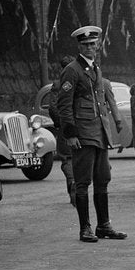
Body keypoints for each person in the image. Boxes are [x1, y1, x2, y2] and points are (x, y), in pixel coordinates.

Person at [55, 25, 127, 243]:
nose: (90, 48)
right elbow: (64, 105)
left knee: (103, 179)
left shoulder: (96, 69)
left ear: (98, 45)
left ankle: (104, 225)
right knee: (83, 182)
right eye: (85, 44)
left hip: (100, 133)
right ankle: (85, 228)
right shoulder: (72, 70)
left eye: (93, 44)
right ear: (79, 46)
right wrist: (71, 133)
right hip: (83, 134)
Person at [47, 55, 77, 204]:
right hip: (78, 126)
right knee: (78, 157)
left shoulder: (58, 84)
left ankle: (72, 184)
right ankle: (77, 187)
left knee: (67, 158)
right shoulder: (78, 80)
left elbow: (52, 107)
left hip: (65, 128)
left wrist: (60, 123)